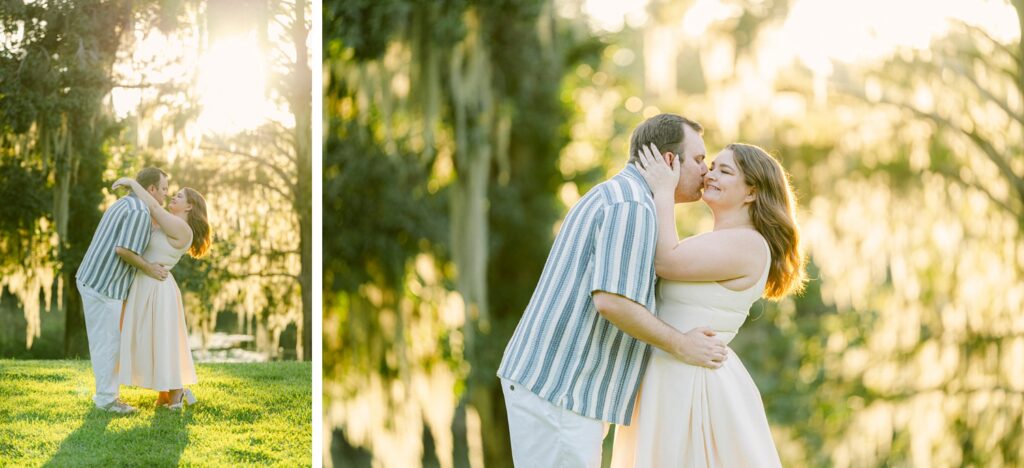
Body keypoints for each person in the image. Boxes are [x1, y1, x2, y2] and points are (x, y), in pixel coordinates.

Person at [496, 114, 730, 467]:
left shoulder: (626, 197)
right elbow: (612, 301)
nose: (706, 169)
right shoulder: (632, 206)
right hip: (561, 392)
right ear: (669, 161)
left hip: (562, 392)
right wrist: (683, 344)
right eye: (698, 159)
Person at [610, 142, 806, 467]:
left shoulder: (750, 244)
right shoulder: (717, 240)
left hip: (693, 385)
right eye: (713, 166)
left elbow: (666, 261)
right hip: (668, 373)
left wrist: (662, 189)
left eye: (724, 171)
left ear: (751, 192)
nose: (709, 174)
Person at [112, 176, 212, 410]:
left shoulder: (181, 227)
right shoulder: (168, 223)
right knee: (153, 339)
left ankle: (177, 393)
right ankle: (165, 392)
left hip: (158, 287)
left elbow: (154, 206)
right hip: (147, 283)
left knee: (162, 340)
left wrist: (133, 184)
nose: (172, 196)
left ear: (189, 206)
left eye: (179, 196)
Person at [76, 167, 170, 414]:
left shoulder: (125, 204)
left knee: (108, 342)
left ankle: (108, 396)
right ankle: (107, 400)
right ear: (151, 189)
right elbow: (123, 250)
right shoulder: (139, 212)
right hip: (104, 284)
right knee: (109, 344)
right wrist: (150, 268)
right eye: (163, 189)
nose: (166, 195)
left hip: (96, 280)